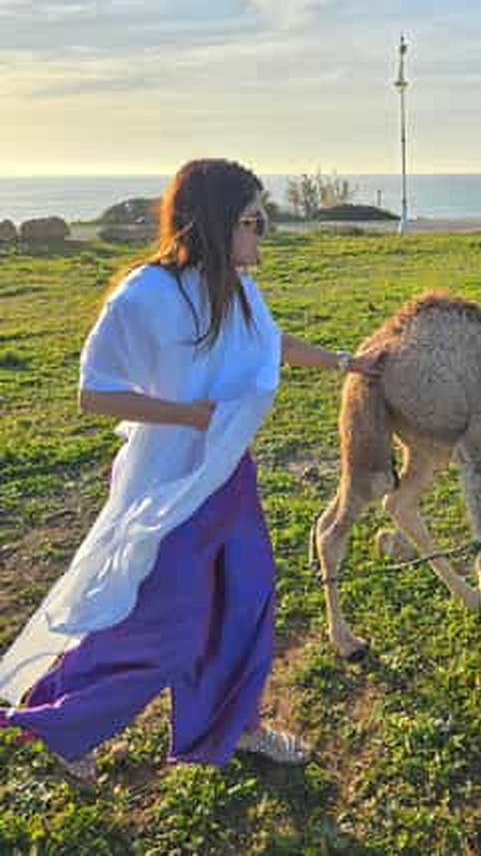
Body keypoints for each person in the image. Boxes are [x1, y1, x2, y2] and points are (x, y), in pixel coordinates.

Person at [0, 158, 382, 785]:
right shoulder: (145, 294)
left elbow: (270, 341)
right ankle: (65, 723)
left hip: (228, 477)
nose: (263, 232)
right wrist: (182, 413)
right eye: (254, 220)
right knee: (163, 623)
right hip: (170, 488)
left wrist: (345, 361)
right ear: (215, 220)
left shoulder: (235, 285)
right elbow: (93, 393)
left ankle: (237, 725)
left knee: (247, 598)